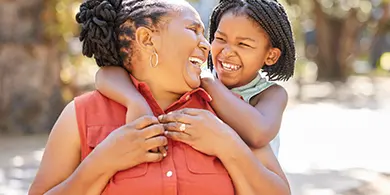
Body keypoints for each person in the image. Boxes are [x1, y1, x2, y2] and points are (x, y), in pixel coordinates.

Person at [29, 0, 290, 195]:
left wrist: (228, 145)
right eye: (193, 30)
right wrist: (102, 162)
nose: (208, 46)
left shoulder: (227, 113)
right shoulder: (82, 114)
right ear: (146, 38)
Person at [95, 0, 296, 157]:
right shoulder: (191, 78)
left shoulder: (271, 94)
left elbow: (259, 133)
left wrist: (209, 84)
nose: (226, 52)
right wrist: (134, 102)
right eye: (220, 39)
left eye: (243, 45)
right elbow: (106, 74)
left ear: (270, 56)